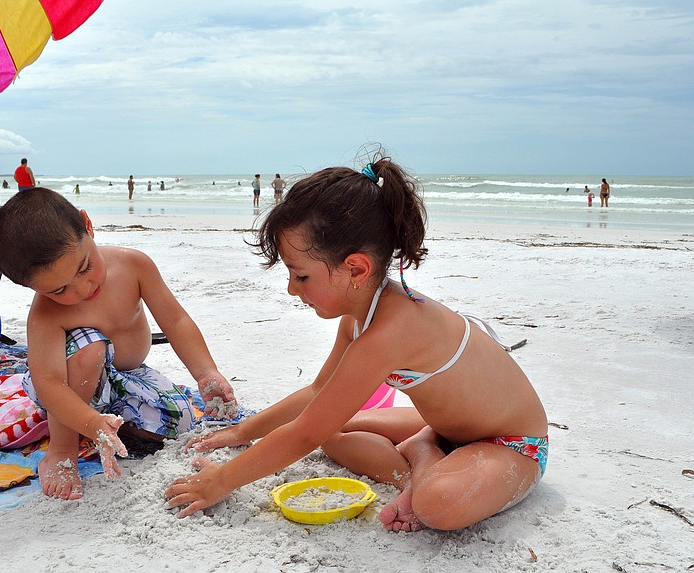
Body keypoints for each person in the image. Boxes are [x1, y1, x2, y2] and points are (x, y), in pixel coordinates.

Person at [165, 156, 548, 532]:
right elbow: (318, 393)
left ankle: (421, 454)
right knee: (333, 431)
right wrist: (243, 432)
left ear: (356, 269)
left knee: (437, 507)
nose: (291, 289)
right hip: (448, 428)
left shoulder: (390, 331)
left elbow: (304, 434)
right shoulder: (358, 319)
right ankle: (422, 462)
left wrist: (221, 481)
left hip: (511, 444)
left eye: (300, 276)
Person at [0, 187, 238, 500]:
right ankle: (63, 449)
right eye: (59, 290)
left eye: (84, 267)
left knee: (182, 419)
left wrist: (206, 373)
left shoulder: (133, 266)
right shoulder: (46, 313)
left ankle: (110, 428)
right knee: (91, 346)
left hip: (126, 378)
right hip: (65, 389)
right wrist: (88, 421)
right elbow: (49, 383)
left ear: (88, 225)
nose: (81, 288)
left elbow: (176, 322)